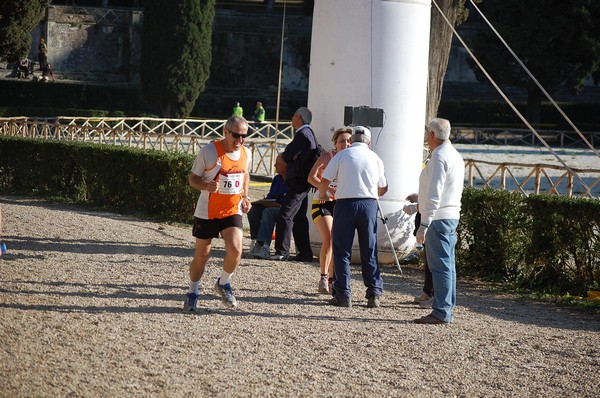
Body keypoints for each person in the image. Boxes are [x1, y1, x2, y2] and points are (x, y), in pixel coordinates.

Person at [183, 115, 252, 311]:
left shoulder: (246, 153)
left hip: (232, 210)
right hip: (207, 211)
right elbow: (192, 179)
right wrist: (206, 185)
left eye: (244, 136)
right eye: (236, 136)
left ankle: (223, 282)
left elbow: (245, 176)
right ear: (225, 132)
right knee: (202, 255)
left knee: (236, 249)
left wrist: (245, 198)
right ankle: (193, 291)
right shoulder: (209, 151)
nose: (240, 140)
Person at [319, 126, 388, 308]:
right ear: (369, 142)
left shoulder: (342, 156)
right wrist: (373, 192)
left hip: (345, 204)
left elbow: (325, 180)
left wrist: (323, 195)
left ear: (353, 139)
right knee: (369, 248)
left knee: (342, 250)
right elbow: (384, 187)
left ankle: (343, 294)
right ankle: (374, 293)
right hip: (369, 204)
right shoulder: (375, 158)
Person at [413, 118, 465, 325]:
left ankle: (442, 312)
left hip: (438, 218)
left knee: (440, 266)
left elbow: (434, 195)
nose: (427, 137)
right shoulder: (455, 155)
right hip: (450, 215)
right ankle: (446, 307)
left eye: (428, 133)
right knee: (448, 266)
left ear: (432, 135)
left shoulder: (438, 158)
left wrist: (423, 224)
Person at [308, 127, 352, 293]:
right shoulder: (328, 156)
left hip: (340, 204)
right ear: (335, 143)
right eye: (342, 141)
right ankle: (323, 278)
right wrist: (324, 188)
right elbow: (310, 176)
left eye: (349, 141)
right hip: (322, 202)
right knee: (330, 238)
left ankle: (334, 280)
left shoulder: (352, 159)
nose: (346, 144)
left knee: (337, 242)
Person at [270, 107, 316, 262]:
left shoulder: (303, 135)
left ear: (300, 118)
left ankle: (282, 251)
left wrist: (289, 155)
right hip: (303, 181)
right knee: (300, 218)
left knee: (285, 214)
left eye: (294, 116)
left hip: (298, 182)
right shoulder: (308, 134)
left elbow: (287, 154)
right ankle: (305, 253)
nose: (291, 118)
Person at [247, 154, 288, 259]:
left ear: (286, 165)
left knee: (268, 212)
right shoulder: (277, 179)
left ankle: (265, 246)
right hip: (272, 205)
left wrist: (279, 204)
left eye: (278, 164)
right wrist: (265, 201)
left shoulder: (292, 181)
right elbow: (271, 196)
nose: (274, 165)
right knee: (252, 209)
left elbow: (292, 201)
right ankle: (258, 242)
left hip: (285, 209)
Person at [403, 193, 434, 308]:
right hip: (425, 218)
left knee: (433, 263)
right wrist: (419, 199)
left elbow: (434, 201)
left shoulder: (436, 174)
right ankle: (428, 293)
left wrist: (416, 207)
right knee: (428, 261)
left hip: (430, 221)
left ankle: (434, 297)